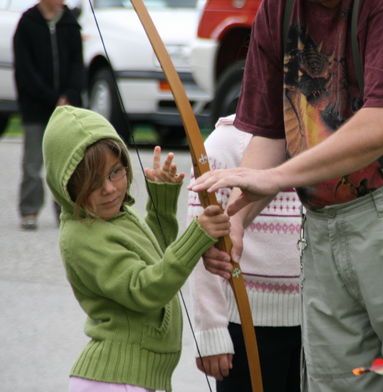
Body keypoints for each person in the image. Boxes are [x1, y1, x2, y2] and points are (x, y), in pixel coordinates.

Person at [190, 1, 383, 391]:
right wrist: (236, 220)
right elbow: (275, 129)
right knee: (340, 383)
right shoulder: (279, 8)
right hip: (326, 225)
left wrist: (276, 178)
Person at [42, 105, 230, 392]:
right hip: (114, 381)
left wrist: (162, 203)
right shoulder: (82, 236)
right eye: (93, 182)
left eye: (115, 172)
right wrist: (198, 236)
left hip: (133, 379)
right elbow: (144, 288)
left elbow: (154, 256)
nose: (109, 188)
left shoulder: (114, 215)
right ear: (66, 185)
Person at [187, 115, 302, 392]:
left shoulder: (314, 135)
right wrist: (212, 333)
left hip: (314, 322)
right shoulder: (222, 145)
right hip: (246, 325)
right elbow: (203, 247)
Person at [13, 0, 84, 230]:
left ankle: (65, 209)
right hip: (35, 106)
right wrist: (49, 96)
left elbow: (77, 65)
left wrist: (69, 95)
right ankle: (29, 209)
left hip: (67, 106)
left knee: (67, 163)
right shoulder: (27, 22)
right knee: (33, 163)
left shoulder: (70, 23)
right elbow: (24, 68)